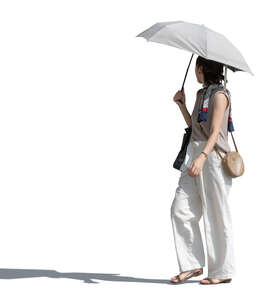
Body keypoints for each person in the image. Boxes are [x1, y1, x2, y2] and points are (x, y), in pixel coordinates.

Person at [170, 56, 235, 285]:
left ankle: (221, 271)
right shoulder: (201, 94)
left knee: (216, 214)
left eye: (198, 67)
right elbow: (195, 128)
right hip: (194, 153)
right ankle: (192, 265)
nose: (196, 72)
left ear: (203, 68)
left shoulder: (219, 96)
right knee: (180, 209)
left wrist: (203, 157)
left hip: (213, 157)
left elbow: (215, 131)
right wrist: (182, 106)